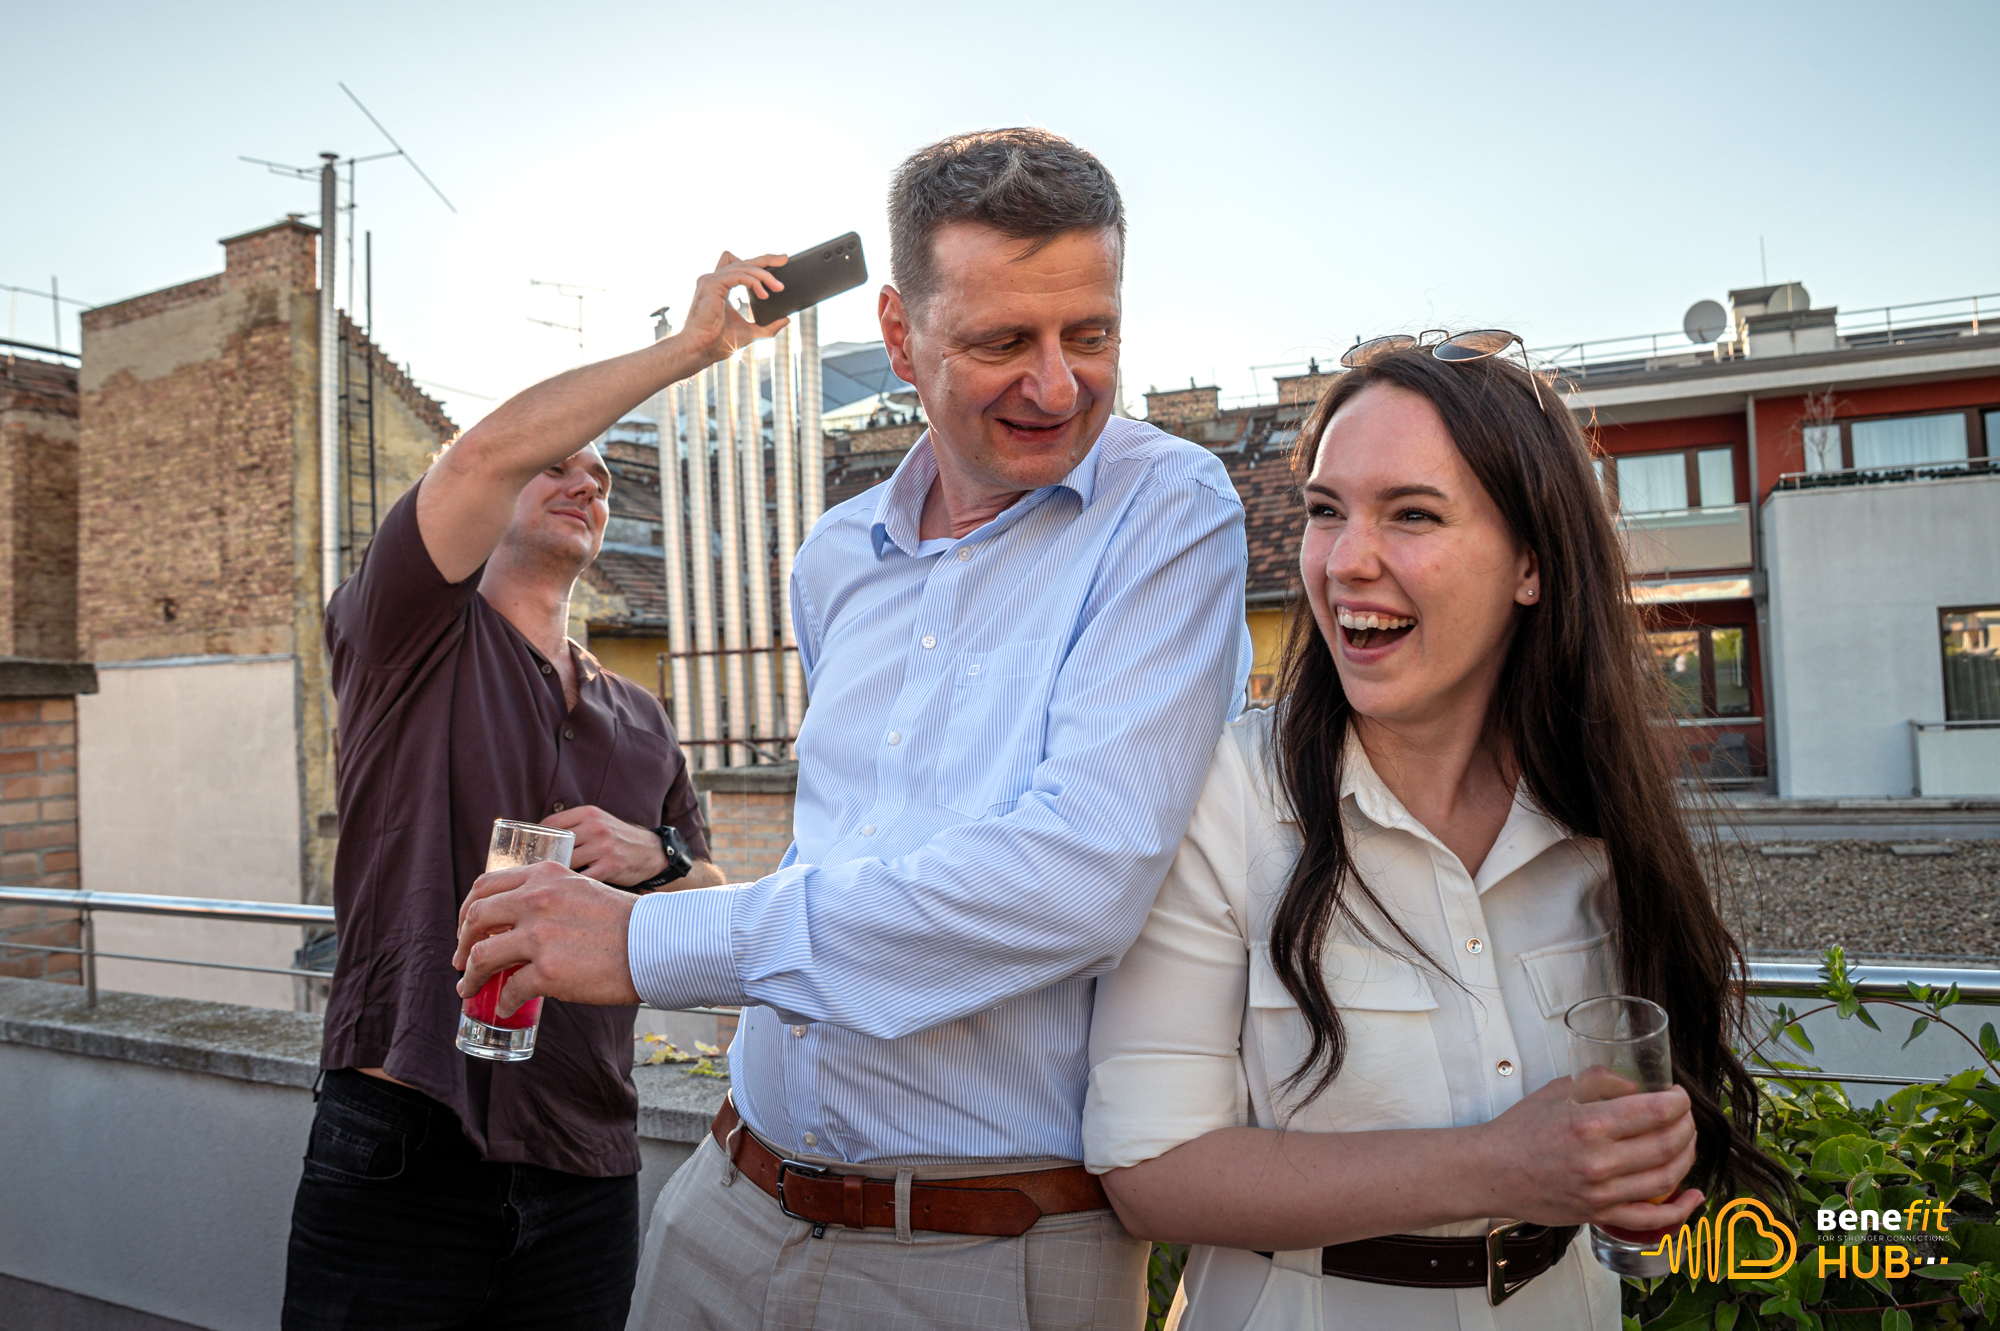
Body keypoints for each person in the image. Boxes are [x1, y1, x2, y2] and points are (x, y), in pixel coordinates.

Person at [451, 127, 1251, 1330]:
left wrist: (650, 938)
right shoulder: (832, 555)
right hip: (728, 1196)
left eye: (1089, 334)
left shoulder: (1172, 510)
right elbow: (855, 846)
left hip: (984, 1248)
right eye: (1002, 342)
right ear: (897, 333)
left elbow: (1075, 880)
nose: (1055, 385)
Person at [1081, 335, 1787, 1330]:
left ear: (1530, 564)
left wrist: (1629, 1168)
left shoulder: (1599, 814)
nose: (1345, 561)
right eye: (1327, 511)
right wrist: (1497, 1164)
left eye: (1411, 514)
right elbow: (1151, 1172)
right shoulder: (1219, 793)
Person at [279, 256, 772, 1329]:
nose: (587, 481)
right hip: (403, 1141)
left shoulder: (641, 714)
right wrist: (691, 349)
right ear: (499, 490)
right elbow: (482, 452)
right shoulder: (406, 631)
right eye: (558, 463)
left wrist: (656, 856)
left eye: (600, 475)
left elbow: (713, 890)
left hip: (587, 1159)